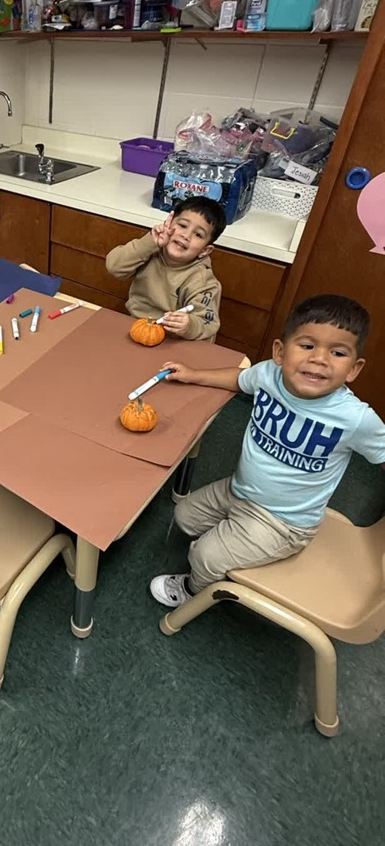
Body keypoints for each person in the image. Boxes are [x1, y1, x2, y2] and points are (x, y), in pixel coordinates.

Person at [150, 294, 385, 607]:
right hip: (239, 490)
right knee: (184, 516)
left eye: (338, 352)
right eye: (307, 345)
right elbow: (239, 378)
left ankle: (193, 591)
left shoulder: (356, 418)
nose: (319, 358)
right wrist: (193, 374)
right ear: (279, 351)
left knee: (204, 556)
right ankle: (228, 541)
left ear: (354, 369)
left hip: (284, 523)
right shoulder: (268, 375)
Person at [105, 197, 226, 341]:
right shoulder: (150, 250)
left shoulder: (203, 280)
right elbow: (114, 267)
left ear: (205, 251)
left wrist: (189, 325)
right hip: (138, 328)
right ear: (168, 223)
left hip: (175, 341)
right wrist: (149, 242)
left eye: (198, 234)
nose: (186, 235)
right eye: (182, 225)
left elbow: (208, 323)